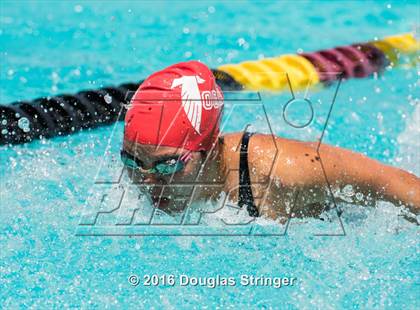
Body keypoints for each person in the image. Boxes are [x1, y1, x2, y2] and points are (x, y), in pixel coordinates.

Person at [121, 61, 419, 222]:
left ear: (209, 148)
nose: (147, 181)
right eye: (132, 161)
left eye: (168, 165)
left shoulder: (282, 168)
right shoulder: (141, 189)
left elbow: (403, 187)